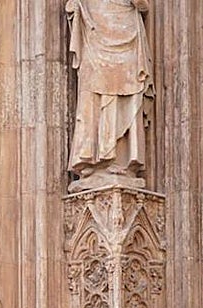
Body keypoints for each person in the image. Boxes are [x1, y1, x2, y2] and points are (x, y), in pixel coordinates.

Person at [65, 0, 153, 190]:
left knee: (125, 95)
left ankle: (120, 159)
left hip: (125, 31)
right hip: (96, 33)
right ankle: (94, 160)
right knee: (93, 96)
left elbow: (143, 5)